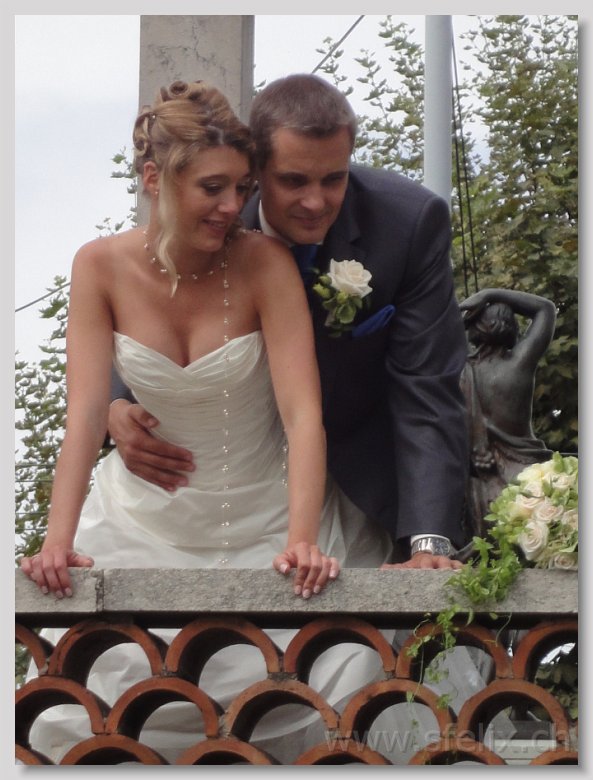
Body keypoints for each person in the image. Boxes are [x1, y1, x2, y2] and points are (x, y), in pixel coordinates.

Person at [19, 80, 393, 764]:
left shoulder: (264, 263)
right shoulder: (97, 266)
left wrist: (302, 541)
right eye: (213, 188)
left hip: (267, 514)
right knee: (86, 690)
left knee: (336, 670)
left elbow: (302, 414)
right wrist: (57, 542)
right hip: (143, 517)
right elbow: (85, 415)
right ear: (154, 179)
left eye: (241, 188)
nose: (232, 207)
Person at [108, 73, 470, 571]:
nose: (315, 202)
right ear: (256, 170)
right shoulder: (212, 216)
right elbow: (145, 296)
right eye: (294, 181)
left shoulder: (409, 224)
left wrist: (429, 542)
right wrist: (116, 403)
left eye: (334, 179)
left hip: (353, 482)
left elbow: (427, 386)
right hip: (205, 485)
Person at [459, 287, 556, 537]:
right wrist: (490, 294)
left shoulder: (460, 371)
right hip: (528, 477)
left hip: (481, 484)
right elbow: (545, 309)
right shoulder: (520, 364)